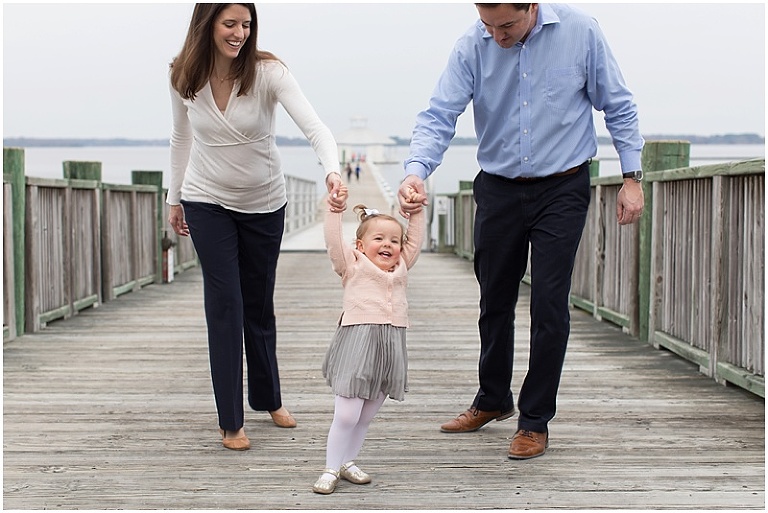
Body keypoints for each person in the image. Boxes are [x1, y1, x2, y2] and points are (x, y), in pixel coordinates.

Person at [398, 3, 644, 460]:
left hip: (563, 185)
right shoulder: (474, 43)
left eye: (506, 25)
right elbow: (439, 115)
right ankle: (492, 399)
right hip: (497, 187)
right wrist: (417, 170)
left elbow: (619, 105)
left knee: (550, 302)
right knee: (494, 298)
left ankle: (534, 421)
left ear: (532, 6)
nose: (497, 35)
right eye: (488, 24)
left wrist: (632, 176)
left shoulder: (581, 32)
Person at [166, 3, 345, 451]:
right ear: (207, 25)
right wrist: (174, 198)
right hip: (205, 199)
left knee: (258, 305)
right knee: (225, 302)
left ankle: (268, 397)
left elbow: (315, 127)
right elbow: (180, 136)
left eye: (246, 25)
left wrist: (332, 171)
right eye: (230, 24)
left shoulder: (268, 72)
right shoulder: (182, 75)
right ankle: (231, 420)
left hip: (264, 203)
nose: (240, 33)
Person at [312, 186, 424, 494]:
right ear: (360, 245)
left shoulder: (401, 267)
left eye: (394, 240)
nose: (388, 245)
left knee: (366, 414)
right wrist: (334, 210)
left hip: (390, 345)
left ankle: (348, 461)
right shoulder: (352, 265)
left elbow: (414, 240)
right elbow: (334, 242)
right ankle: (331, 467)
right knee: (347, 413)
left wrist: (416, 211)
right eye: (379, 239)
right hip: (358, 342)